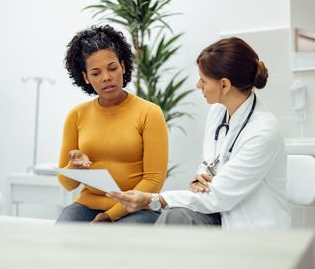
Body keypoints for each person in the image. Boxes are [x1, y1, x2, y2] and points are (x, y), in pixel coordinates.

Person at [108, 37, 291, 229]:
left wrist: (153, 199)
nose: (198, 86)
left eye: (203, 80)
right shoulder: (218, 111)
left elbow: (219, 196)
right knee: (175, 216)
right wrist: (200, 177)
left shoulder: (263, 132)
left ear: (225, 85)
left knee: (174, 217)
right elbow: (208, 164)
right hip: (218, 214)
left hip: (250, 226)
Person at [56, 25, 168, 224]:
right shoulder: (77, 115)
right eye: (96, 73)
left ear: (123, 67)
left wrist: (111, 215)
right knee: (64, 232)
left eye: (112, 68)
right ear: (86, 78)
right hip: (88, 205)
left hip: (138, 207)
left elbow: (153, 181)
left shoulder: (149, 113)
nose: (106, 77)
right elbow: (67, 183)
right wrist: (74, 165)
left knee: (117, 242)